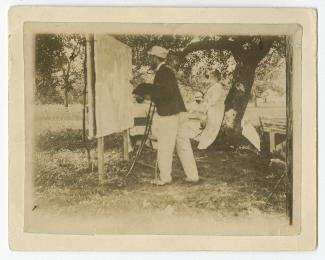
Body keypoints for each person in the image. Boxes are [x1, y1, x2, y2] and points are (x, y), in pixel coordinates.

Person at [133, 46, 199, 185]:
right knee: (183, 144)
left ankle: (164, 178)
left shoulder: (164, 71)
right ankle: (193, 176)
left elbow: (165, 93)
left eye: (151, 57)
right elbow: (164, 92)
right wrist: (148, 91)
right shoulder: (166, 71)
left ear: (156, 58)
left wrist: (144, 87)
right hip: (178, 112)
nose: (149, 59)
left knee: (165, 144)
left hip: (170, 114)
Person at [198, 70, 227, 150]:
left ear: (215, 78)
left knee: (212, 127)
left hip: (216, 109)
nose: (209, 79)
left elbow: (215, 99)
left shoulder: (217, 86)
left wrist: (206, 105)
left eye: (211, 77)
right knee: (209, 126)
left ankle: (205, 144)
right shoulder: (214, 86)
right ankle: (204, 143)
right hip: (213, 108)